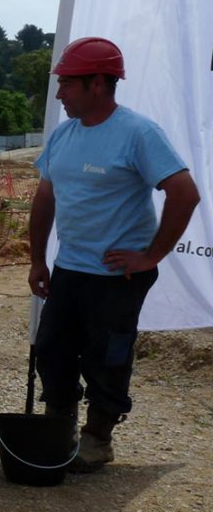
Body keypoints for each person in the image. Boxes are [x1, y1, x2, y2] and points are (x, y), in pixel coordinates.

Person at [28, 37, 200, 473]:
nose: (60, 94)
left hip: (117, 275)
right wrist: (37, 259)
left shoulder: (137, 133)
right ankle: (59, 427)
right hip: (71, 267)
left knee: (107, 355)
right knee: (53, 348)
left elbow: (184, 193)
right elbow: (45, 196)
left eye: (68, 84)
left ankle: (97, 438)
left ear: (99, 85)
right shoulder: (65, 135)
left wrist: (151, 255)